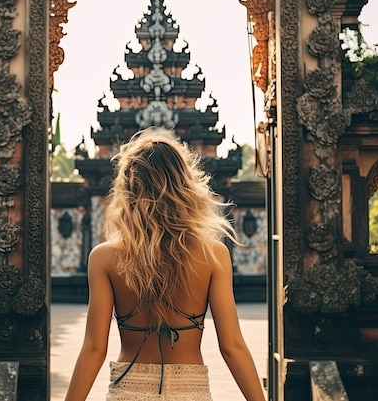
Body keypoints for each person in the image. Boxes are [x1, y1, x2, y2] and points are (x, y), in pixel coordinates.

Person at [64, 127, 266, 401]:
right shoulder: (213, 255)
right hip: (190, 392)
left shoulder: (103, 258)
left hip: (128, 390)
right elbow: (231, 346)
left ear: (127, 189)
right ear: (184, 185)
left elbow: (94, 349)